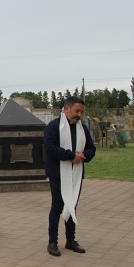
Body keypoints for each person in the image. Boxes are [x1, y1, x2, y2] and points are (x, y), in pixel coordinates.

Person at [44, 96, 96, 257]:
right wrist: (71, 155)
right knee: (57, 207)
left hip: (76, 173)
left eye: (81, 111)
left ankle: (70, 240)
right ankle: (53, 242)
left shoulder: (82, 128)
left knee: (72, 205)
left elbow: (91, 147)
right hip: (58, 174)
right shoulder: (53, 127)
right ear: (66, 109)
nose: (78, 114)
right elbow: (51, 147)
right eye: (76, 111)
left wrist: (83, 156)